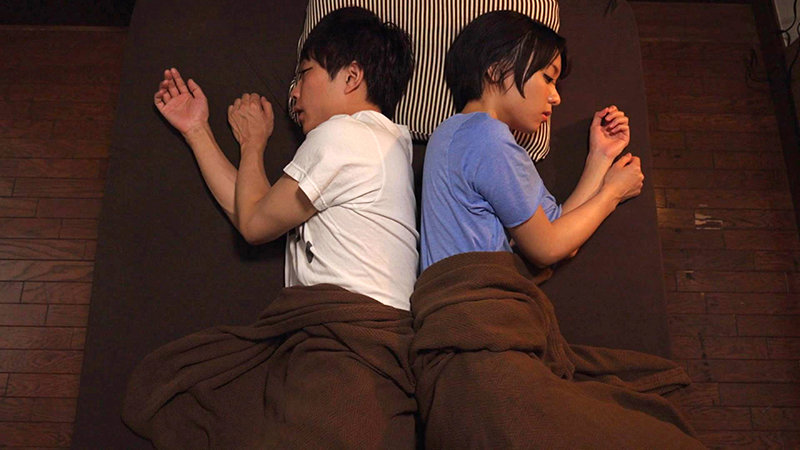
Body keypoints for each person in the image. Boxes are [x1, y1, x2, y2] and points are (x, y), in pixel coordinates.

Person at [122, 7, 420, 448]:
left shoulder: (344, 135)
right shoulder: (384, 142)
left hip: (352, 343)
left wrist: (253, 143)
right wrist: (197, 130)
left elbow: (254, 225)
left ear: (352, 77)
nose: (293, 95)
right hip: (354, 341)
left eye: (304, 74)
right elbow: (255, 209)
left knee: (189, 386)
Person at [411, 10, 705, 448]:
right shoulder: (483, 137)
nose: (556, 97)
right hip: (473, 342)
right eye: (548, 78)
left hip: (478, 339)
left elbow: (559, 231)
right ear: (497, 70)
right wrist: (612, 194)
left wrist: (600, 158)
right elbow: (547, 247)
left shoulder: (482, 143)